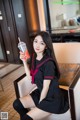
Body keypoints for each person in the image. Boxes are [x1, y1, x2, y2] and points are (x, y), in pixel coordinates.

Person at [13, 31, 69, 120]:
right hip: (41, 91)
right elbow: (30, 78)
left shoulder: (49, 63)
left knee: (26, 118)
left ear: (46, 46)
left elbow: (46, 88)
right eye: (35, 41)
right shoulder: (34, 57)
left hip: (52, 97)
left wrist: (40, 106)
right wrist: (24, 61)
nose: (37, 45)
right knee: (17, 104)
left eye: (42, 43)